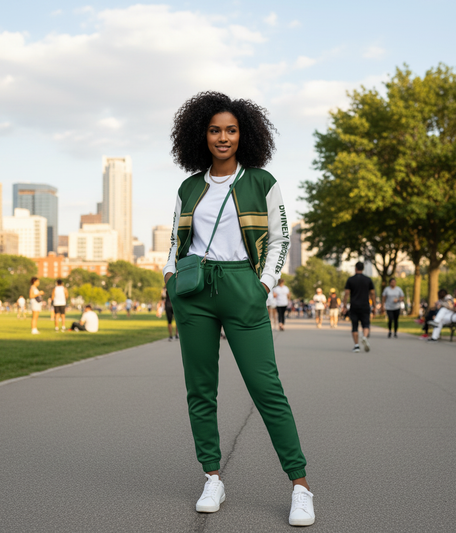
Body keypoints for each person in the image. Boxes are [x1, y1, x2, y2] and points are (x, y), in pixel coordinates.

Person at [163, 92, 313, 527]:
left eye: (230, 130)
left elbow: (280, 239)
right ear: (201, 135)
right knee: (200, 389)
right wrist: (171, 278)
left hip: (242, 286)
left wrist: (263, 285)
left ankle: (300, 486)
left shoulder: (263, 182)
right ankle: (212, 476)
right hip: (193, 291)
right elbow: (175, 240)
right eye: (214, 130)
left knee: (267, 389)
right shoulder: (189, 187)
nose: (223, 137)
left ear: (243, 134)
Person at [342, 262, 376, 353]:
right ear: (363, 268)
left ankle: (356, 346)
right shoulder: (368, 280)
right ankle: (364, 336)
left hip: (354, 305)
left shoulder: (350, 280)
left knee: (355, 326)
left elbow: (346, 294)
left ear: (355, 268)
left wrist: (344, 305)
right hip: (365, 305)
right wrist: (374, 306)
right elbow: (372, 293)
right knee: (366, 324)